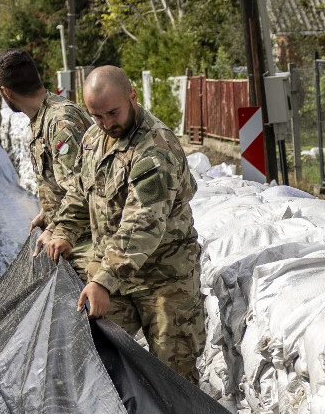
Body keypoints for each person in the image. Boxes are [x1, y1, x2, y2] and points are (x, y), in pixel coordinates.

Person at [41, 66, 204, 383]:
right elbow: (80, 192)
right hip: (115, 275)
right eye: (97, 116)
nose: (107, 124)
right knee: (91, 357)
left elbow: (141, 225)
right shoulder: (93, 139)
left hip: (164, 281)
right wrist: (62, 231)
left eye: (113, 113)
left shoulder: (156, 150)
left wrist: (103, 281)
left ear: (132, 96)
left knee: (174, 380)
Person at [0, 48, 91, 232]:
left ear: (6, 92)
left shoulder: (60, 123)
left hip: (85, 237)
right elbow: (58, 184)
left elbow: (81, 189)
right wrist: (48, 214)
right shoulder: (42, 116)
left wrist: (55, 230)